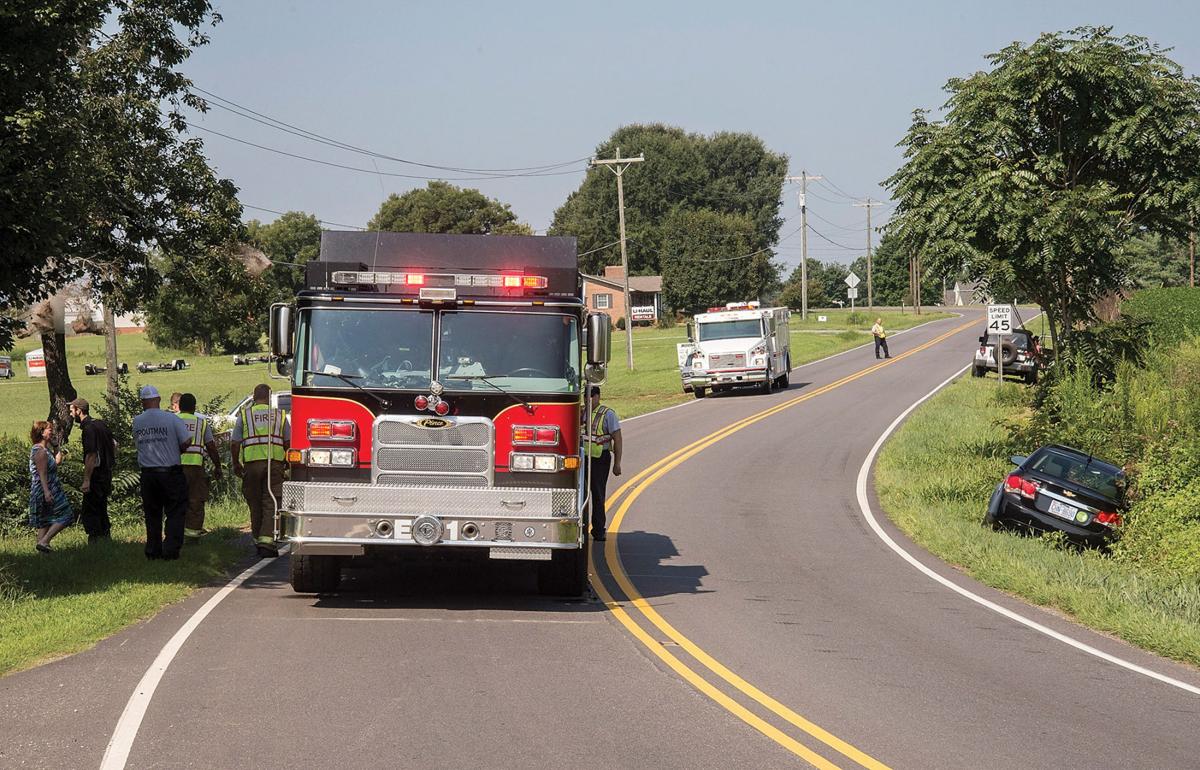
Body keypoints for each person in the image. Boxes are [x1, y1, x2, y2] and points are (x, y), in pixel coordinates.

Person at [132, 385, 192, 560]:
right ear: (158, 400)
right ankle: (171, 549)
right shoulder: (171, 419)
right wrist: (175, 449)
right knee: (175, 510)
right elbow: (187, 441)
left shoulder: (137, 422)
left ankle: (153, 550)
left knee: (152, 513)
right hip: (170, 473)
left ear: (142, 402)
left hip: (148, 475)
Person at [232, 384, 290, 557]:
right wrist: (287, 461)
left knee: (254, 500)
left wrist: (236, 463)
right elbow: (288, 442)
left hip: (251, 464)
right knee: (271, 500)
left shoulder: (244, 415)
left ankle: (258, 539)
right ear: (270, 396)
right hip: (274, 464)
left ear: (254, 396)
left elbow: (235, 443)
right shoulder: (279, 415)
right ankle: (267, 541)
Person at [177, 393, 223, 542]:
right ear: (194, 407)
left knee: (176, 500)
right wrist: (218, 466)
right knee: (195, 500)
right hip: (196, 467)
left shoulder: (173, 421)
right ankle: (192, 534)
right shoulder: (201, 423)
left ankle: (176, 533)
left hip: (175, 467)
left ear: (180, 406)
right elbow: (211, 446)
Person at [70, 398, 116, 543]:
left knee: (90, 509)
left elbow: (91, 455)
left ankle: (95, 539)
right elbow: (115, 444)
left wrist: (86, 480)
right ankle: (106, 537)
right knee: (102, 506)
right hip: (106, 473)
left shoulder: (88, 429)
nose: (71, 414)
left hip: (96, 475)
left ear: (79, 410)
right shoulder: (100, 424)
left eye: (72, 410)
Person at [583, 385, 622, 542]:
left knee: (598, 495)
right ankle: (582, 529)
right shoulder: (581, 413)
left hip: (600, 459)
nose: (588, 400)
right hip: (582, 460)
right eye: (586, 397)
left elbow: (617, 438)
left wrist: (617, 463)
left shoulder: (608, 414)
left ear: (598, 396)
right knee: (582, 496)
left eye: (591, 396)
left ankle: (599, 530)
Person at [29, 420, 74, 553]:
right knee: (67, 515)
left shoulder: (45, 449)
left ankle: (41, 553)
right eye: (49, 429)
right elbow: (42, 474)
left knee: (45, 522)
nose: (52, 431)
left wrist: (56, 446)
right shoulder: (40, 451)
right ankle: (44, 541)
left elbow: (57, 462)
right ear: (42, 433)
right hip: (47, 489)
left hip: (49, 488)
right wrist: (47, 492)